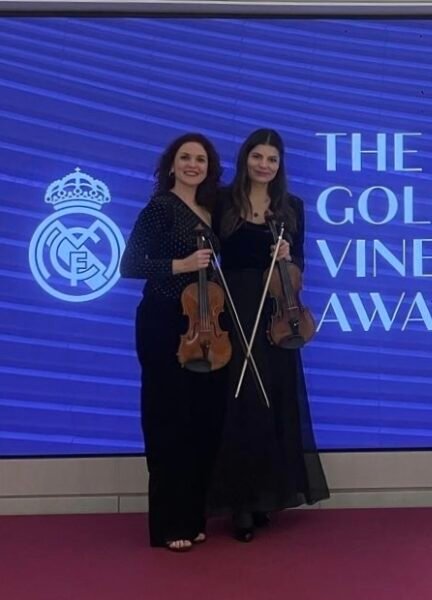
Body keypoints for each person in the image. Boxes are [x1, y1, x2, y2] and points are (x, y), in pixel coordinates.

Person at [208, 128, 329, 542]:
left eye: (272, 159)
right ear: (245, 159)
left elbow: (301, 266)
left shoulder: (291, 207)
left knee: (272, 401)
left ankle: (264, 496)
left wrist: (289, 255)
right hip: (234, 308)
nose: (264, 164)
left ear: (280, 166)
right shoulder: (223, 201)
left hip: (275, 314)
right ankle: (239, 503)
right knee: (238, 404)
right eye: (257, 156)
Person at [120, 133, 227, 552]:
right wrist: (180, 264)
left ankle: (193, 514)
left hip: (204, 325)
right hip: (165, 322)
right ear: (171, 165)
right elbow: (130, 264)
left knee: (203, 422)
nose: (192, 164)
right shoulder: (160, 207)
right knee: (169, 422)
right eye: (185, 157)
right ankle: (168, 524)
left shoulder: (209, 208)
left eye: (200, 159)